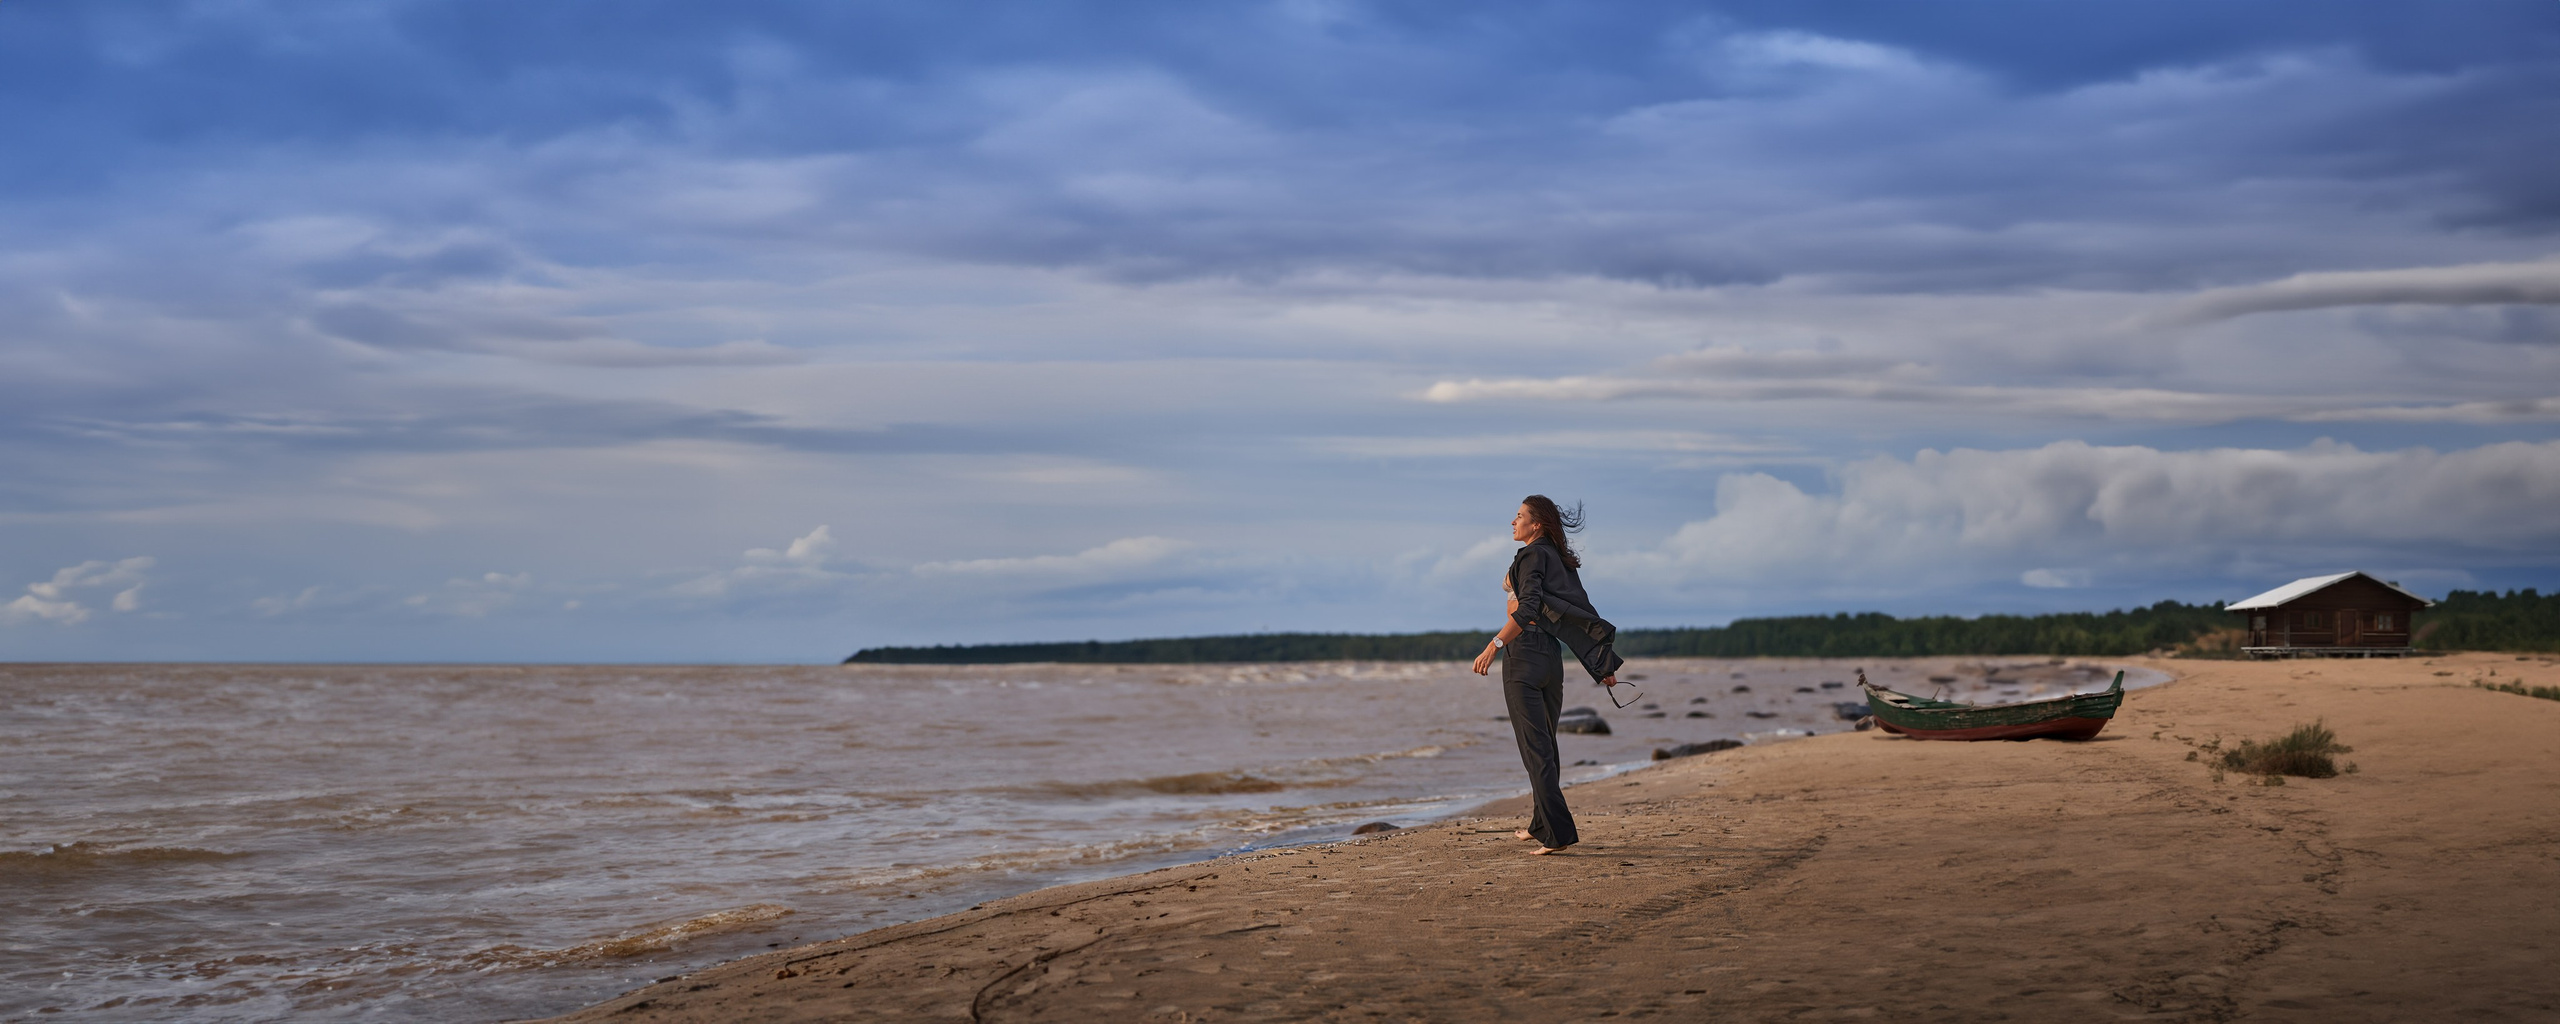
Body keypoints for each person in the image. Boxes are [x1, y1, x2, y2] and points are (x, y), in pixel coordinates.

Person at [1471, 495, 1625, 855]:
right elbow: (1579, 613)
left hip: (1523, 657)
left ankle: (1557, 835)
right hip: (1550, 660)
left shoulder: (1529, 556)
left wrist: (1493, 646)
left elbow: (1526, 610)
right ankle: (1541, 823)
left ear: (1536, 524)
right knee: (1546, 746)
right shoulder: (1559, 560)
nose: (1513, 521)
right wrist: (1603, 667)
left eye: (1520, 516)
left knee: (1535, 748)